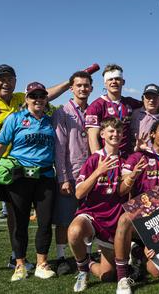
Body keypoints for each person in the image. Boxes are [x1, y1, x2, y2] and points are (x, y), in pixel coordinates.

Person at [0, 64, 71, 277]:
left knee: (16, 216)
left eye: (10, 78)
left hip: (16, 172)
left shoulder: (18, 100)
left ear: (15, 81)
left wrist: (71, 81)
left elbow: (48, 93)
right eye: (1, 78)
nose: (5, 82)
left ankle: (17, 258)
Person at [0, 82, 60, 281]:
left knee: (44, 222)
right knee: (19, 223)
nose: (38, 99)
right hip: (19, 178)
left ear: (46, 99)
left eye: (42, 96)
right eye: (33, 96)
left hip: (45, 177)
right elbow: (0, 146)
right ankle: (20, 265)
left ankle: (42, 263)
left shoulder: (51, 121)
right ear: (26, 99)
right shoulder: (15, 119)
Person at [114, 119, 159, 294]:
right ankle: (122, 278)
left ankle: (139, 252)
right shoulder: (138, 156)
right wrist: (133, 175)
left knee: (153, 272)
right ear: (153, 134)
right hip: (142, 214)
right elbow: (122, 191)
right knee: (124, 220)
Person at [68, 118, 132, 291]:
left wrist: (132, 177)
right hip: (93, 215)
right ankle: (82, 271)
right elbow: (79, 193)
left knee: (107, 275)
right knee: (74, 232)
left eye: (118, 131)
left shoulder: (126, 159)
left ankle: (88, 264)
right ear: (102, 134)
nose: (115, 134)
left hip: (114, 218)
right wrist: (98, 172)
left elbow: (122, 191)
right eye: (111, 131)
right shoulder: (93, 160)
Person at [52, 71, 94, 276]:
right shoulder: (63, 112)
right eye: (79, 85)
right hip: (71, 174)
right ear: (71, 88)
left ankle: (87, 254)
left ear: (91, 88)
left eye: (86, 85)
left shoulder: (95, 110)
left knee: (88, 217)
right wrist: (63, 177)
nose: (83, 89)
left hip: (91, 175)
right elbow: (59, 148)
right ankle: (61, 257)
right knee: (63, 218)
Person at [85, 64, 143, 155]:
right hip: (108, 157)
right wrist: (99, 161)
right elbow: (93, 138)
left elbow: (150, 105)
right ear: (105, 83)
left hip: (127, 157)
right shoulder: (96, 106)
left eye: (117, 79)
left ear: (123, 82)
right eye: (110, 79)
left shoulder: (130, 102)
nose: (114, 82)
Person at [129, 84, 159, 150]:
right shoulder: (133, 114)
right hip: (135, 155)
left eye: (155, 97)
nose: (151, 100)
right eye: (148, 97)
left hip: (156, 156)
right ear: (142, 98)